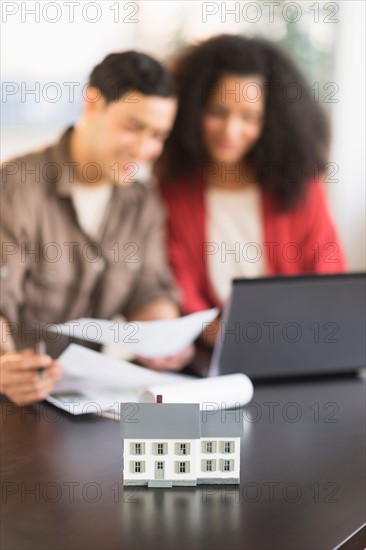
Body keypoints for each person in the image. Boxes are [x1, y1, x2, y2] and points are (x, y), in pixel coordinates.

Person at [0, 51, 194, 405]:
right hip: (16, 404)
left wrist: (163, 338)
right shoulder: (15, 188)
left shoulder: (143, 201)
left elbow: (149, 290)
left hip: (88, 403)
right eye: (133, 127)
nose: (144, 148)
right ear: (92, 104)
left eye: (158, 135)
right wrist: (5, 366)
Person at [157, 35, 346, 345]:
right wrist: (234, 343)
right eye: (218, 112)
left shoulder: (302, 190)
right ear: (193, 109)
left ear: (272, 122)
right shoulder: (174, 195)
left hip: (298, 350)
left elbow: (330, 284)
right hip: (212, 357)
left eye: (249, 117)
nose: (231, 131)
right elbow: (183, 294)